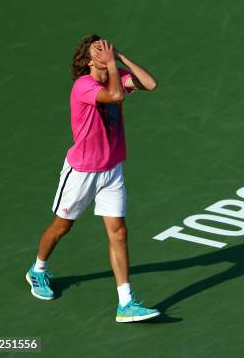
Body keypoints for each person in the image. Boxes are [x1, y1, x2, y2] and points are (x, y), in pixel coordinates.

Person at [25, 34, 160, 322]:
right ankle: (37, 269)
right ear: (89, 60)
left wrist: (121, 58)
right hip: (82, 172)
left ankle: (126, 303)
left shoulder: (116, 73)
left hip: (111, 169)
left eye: (106, 45)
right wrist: (113, 65)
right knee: (62, 227)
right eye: (98, 48)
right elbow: (115, 96)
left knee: (119, 232)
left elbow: (150, 83)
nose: (105, 48)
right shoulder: (83, 85)